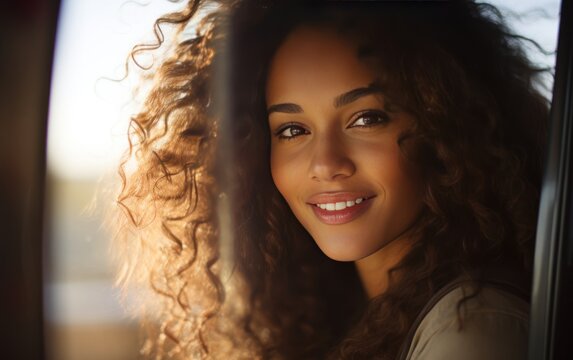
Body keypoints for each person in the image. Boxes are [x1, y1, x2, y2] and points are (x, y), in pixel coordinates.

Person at [114, 0, 549, 359]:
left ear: (446, 127)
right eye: (292, 130)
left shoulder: (471, 329)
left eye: (366, 119)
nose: (325, 163)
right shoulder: (346, 314)